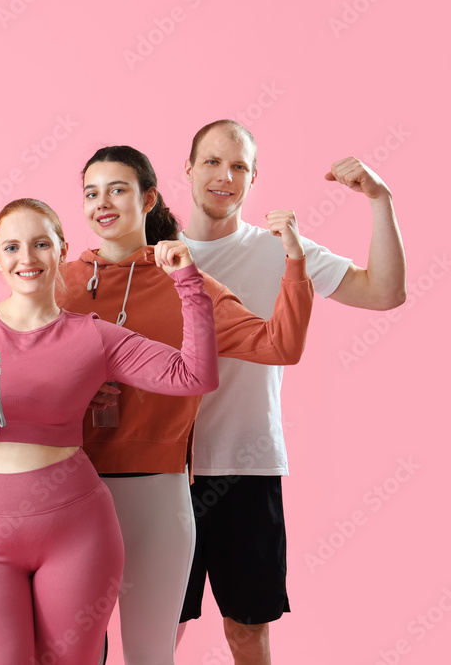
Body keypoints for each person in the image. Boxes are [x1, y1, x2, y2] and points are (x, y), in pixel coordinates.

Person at [0, 198, 220, 665]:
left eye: (40, 244)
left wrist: (188, 283)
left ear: (62, 250)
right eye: (11, 246)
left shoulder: (91, 335)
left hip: (75, 531)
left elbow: (193, 376)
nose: (27, 258)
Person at [58, 145, 314, 664]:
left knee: (151, 652)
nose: (102, 203)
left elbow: (279, 346)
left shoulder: (184, 278)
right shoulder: (60, 283)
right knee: (75, 647)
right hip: (70, 484)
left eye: (118, 190)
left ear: (148, 198)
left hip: (159, 483)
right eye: (91, 192)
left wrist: (294, 260)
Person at [176, 120, 406, 665]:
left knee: (248, 632)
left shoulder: (283, 250)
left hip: (246, 470)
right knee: (157, 630)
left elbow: (385, 292)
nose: (224, 176)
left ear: (254, 177)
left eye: (238, 166)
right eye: (211, 162)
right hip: (162, 470)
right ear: (187, 169)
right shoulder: (154, 256)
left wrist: (381, 199)